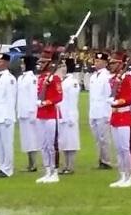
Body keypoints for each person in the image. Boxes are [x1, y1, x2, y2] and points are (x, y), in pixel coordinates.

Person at [108, 52, 131, 188]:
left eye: (114, 63)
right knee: (119, 148)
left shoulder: (128, 77)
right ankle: (122, 175)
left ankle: (130, 177)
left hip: (125, 114)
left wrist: (119, 101)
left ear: (120, 64)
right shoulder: (113, 79)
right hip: (115, 115)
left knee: (126, 147)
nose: (111, 65)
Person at [35, 47, 64, 184]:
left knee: (52, 144)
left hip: (51, 114)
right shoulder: (41, 78)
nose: (40, 65)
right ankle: (47, 170)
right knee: (43, 144)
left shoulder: (55, 78)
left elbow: (59, 97)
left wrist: (46, 102)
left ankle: (55, 171)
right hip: (41, 114)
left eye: (43, 62)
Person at [0, 53, 17, 178]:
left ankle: (7, 169)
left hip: (6, 116)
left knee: (7, 143)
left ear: (6, 63)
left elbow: (11, 98)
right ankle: (0, 166)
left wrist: (8, 116)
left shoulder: (10, 79)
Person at [88, 52, 114, 170]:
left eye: (99, 61)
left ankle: (106, 161)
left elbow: (109, 95)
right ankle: (100, 159)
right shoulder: (93, 76)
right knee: (97, 138)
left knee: (104, 138)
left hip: (103, 111)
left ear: (105, 63)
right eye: (96, 61)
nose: (96, 63)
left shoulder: (107, 77)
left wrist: (109, 113)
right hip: (94, 111)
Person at [58, 57, 83, 175]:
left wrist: (71, 116)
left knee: (71, 142)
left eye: (64, 66)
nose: (62, 68)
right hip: (62, 115)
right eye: (61, 66)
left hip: (69, 115)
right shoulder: (63, 80)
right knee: (64, 142)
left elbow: (72, 100)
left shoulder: (72, 81)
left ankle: (70, 165)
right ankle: (65, 165)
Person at [17, 55, 41, 172]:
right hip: (22, 112)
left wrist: (33, 112)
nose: (21, 65)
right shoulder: (21, 78)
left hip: (30, 112)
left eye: (23, 63)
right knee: (26, 139)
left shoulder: (32, 79)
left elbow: (33, 96)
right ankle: (29, 163)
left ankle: (33, 163)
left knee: (32, 139)